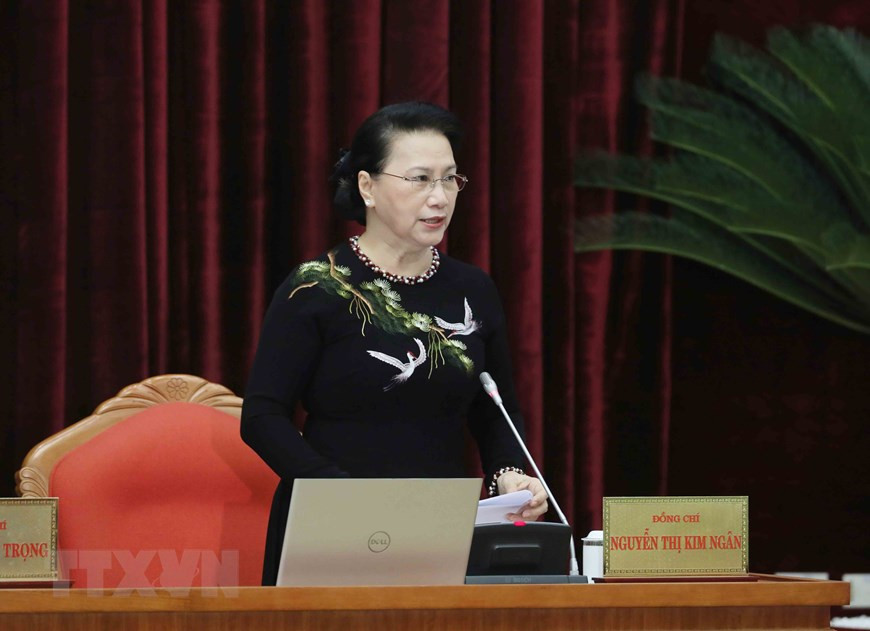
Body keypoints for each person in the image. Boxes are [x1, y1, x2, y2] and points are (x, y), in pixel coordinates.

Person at [241, 101, 548, 585]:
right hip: (334, 523)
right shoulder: (316, 288)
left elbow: (496, 409)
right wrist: (336, 492)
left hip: (440, 525)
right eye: (420, 179)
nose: (439, 197)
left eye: (450, 179)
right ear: (368, 187)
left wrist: (508, 472)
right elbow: (261, 417)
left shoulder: (473, 289)